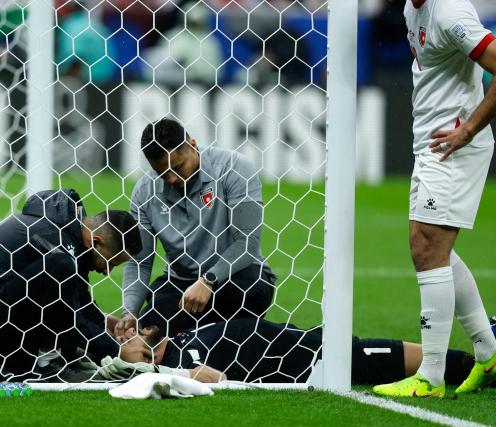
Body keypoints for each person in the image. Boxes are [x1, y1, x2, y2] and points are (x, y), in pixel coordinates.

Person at [374, 0, 496, 398]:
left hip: (453, 144)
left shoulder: (449, 12)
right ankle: (489, 350)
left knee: (425, 246)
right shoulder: (414, 10)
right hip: (432, 142)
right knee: (432, 247)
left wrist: (469, 130)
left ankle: (431, 375)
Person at [0, 188, 143, 380]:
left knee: (64, 284)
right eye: (110, 262)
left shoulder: (72, 238)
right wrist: (119, 354)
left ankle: (17, 365)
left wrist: (103, 325)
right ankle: (39, 364)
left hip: (0, 317)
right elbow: (73, 316)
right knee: (60, 267)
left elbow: (81, 302)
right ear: (97, 241)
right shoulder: (52, 237)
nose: (107, 271)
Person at [116, 118, 277, 337]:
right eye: (162, 174)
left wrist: (208, 281)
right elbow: (140, 262)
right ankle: (199, 341)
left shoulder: (234, 168)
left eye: (178, 167)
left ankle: (199, 340)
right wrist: (130, 311)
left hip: (235, 278)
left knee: (249, 290)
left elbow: (247, 243)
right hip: (181, 285)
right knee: (144, 333)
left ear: (193, 144)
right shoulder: (145, 192)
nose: (172, 178)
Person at [98, 317, 484, 386]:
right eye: (123, 343)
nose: (127, 334)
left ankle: (477, 360)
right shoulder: (179, 364)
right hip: (304, 359)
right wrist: (164, 374)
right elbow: (215, 379)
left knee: (365, 354)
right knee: (365, 360)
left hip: (290, 340)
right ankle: (476, 365)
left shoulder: (176, 336)